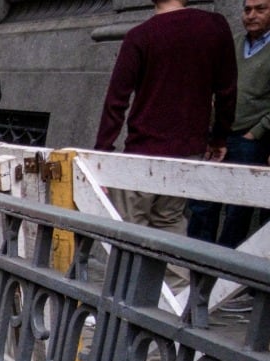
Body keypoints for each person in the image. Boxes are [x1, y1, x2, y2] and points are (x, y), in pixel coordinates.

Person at [95, 0, 235, 243]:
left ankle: (133, 282)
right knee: (170, 224)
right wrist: (219, 137)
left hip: (143, 152)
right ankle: (177, 283)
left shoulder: (140, 36)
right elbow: (227, 91)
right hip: (187, 151)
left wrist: (102, 155)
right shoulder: (215, 26)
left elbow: (116, 101)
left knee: (128, 235)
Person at [189, 0, 270, 247]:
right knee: (202, 204)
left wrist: (256, 132)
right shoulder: (232, 43)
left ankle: (224, 276)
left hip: (250, 140)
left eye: (260, 9)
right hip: (218, 137)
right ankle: (198, 266)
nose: (251, 15)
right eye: (247, 10)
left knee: (238, 211)